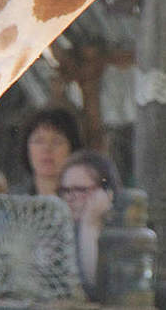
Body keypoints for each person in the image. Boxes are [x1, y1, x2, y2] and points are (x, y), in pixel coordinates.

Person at [58, 150, 122, 301]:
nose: (70, 198)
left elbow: (96, 287)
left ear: (106, 192)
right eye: (65, 190)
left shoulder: (122, 233)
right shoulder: (60, 232)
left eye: (80, 190)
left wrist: (90, 224)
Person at [11, 107, 83, 196]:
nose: (47, 149)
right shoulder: (14, 201)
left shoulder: (87, 201)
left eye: (57, 141)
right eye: (39, 141)